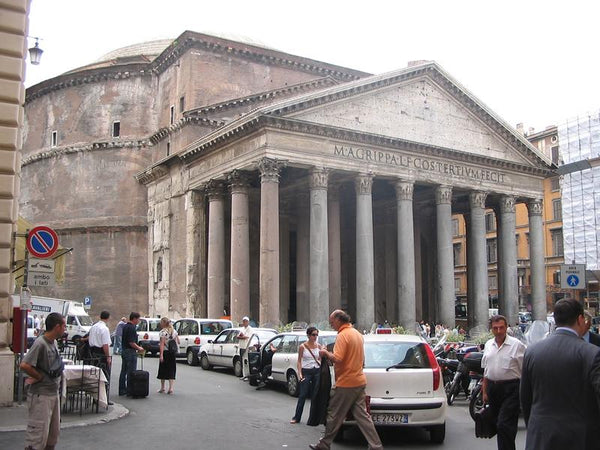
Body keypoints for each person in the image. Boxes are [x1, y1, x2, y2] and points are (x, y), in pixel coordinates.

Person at [521, 298, 600, 450]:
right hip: (580, 438)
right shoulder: (592, 353)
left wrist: (535, 426)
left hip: (541, 436)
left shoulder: (532, 352)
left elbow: (525, 397)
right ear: (580, 319)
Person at [309, 309, 383, 450]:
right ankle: (376, 445)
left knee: (334, 414)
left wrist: (325, 353)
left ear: (338, 320)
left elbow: (338, 358)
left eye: (332, 322)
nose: (331, 325)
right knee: (363, 417)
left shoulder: (343, 335)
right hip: (359, 380)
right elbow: (361, 360)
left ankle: (324, 444)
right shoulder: (357, 334)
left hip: (346, 383)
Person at [20, 312, 66, 450]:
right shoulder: (40, 343)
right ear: (57, 327)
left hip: (53, 394)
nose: (65, 328)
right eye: (64, 325)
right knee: (37, 437)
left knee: (52, 435)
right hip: (41, 396)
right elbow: (24, 365)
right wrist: (39, 377)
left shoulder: (54, 343)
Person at [481, 314, 526, 450]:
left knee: (504, 424)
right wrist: (484, 391)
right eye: (495, 328)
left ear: (506, 327)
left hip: (511, 388)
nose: (499, 331)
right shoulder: (489, 345)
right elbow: (486, 370)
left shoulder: (517, 345)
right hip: (493, 389)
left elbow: (526, 369)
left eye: (501, 328)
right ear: (491, 329)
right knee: (499, 425)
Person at [291, 327, 322, 424]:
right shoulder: (302, 347)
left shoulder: (319, 346)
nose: (315, 337)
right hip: (306, 371)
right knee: (303, 394)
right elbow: (299, 361)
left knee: (315, 395)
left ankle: (314, 418)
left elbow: (320, 359)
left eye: (316, 335)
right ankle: (297, 417)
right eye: (313, 335)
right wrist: (300, 373)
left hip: (316, 371)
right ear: (308, 335)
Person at [118, 312, 144, 396]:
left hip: (124, 350)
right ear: (134, 319)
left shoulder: (125, 326)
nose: (139, 321)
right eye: (138, 319)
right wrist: (139, 348)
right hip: (130, 351)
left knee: (124, 371)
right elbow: (131, 342)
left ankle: (122, 389)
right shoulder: (132, 328)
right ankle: (130, 390)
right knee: (131, 372)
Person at [157, 317, 179, 394]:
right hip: (172, 353)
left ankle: (163, 387)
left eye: (161, 322)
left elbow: (162, 344)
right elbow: (178, 342)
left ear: (163, 323)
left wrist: (161, 355)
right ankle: (171, 388)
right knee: (171, 369)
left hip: (166, 352)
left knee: (163, 369)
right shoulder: (174, 331)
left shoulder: (163, 332)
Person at [88, 311, 112, 381]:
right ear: (108, 318)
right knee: (103, 373)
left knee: (93, 372)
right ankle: (102, 389)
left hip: (92, 351)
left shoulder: (93, 327)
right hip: (100, 352)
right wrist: (108, 357)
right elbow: (105, 344)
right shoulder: (104, 329)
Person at [237, 316, 253, 380]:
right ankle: (244, 375)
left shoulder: (250, 329)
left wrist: (242, 336)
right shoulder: (242, 329)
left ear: (248, 322)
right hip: (241, 346)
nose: (244, 322)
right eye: (243, 321)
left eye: (246, 321)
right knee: (242, 361)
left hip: (246, 347)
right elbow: (238, 336)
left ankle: (247, 376)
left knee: (246, 362)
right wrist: (241, 336)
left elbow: (246, 337)